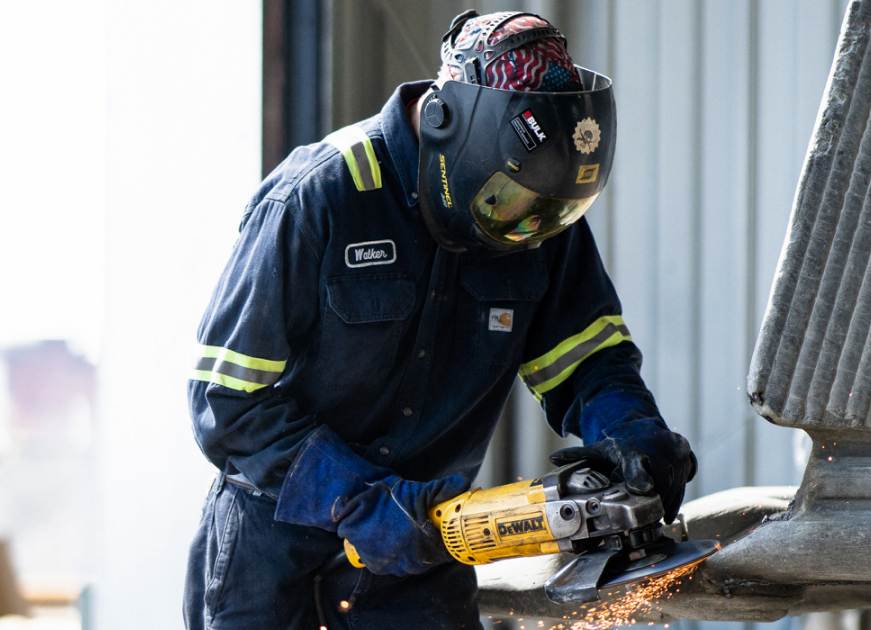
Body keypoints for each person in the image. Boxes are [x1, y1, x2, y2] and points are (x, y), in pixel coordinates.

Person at [183, 10, 697, 630]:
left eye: (547, 214)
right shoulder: (319, 195)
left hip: (426, 555)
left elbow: (589, 361)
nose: (523, 229)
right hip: (270, 563)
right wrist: (361, 501)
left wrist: (632, 433)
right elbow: (228, 401)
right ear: (445, 127)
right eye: (506, 202)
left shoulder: (538, 213)